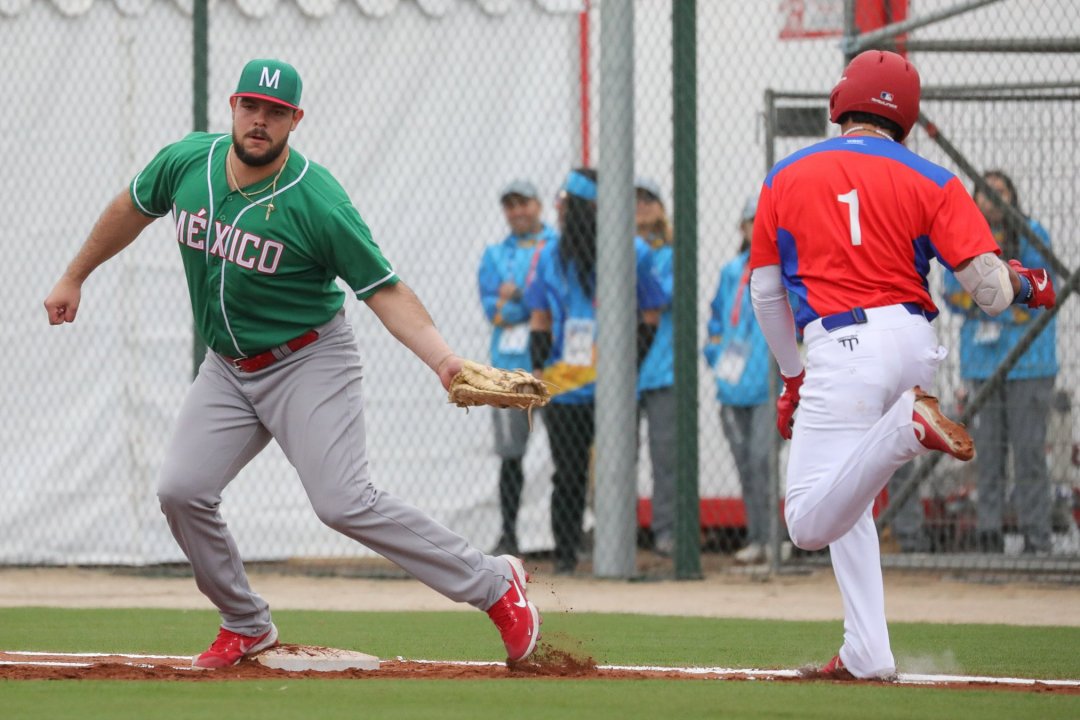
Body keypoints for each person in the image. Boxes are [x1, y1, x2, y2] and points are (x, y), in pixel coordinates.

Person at [43, 58, 540, 668]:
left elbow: (383, 288)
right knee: (182, 490)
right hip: (227, 367)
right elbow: (131, 206)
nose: (260, 121)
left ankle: (495, 585)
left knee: (342, 501)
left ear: (295, 120)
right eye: (251, 106)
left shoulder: (318, 201)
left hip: (308, 360)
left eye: (275, 113)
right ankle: (246, 624)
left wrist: (441, 360)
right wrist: (74, 275)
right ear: (232, 106)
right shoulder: (187, 163)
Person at [748, 50, 1055, 680]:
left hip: (842, 345)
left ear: (842, 102)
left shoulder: (785, 175)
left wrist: (792, 374)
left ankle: (904, 431)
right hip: (914, 340)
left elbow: (765, 293)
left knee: (806, 521)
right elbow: (991, 293)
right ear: (904, 117)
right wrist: (1032, 284)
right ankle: (868, 649)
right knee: (849, 497)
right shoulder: (932, 178)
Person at [526, 168, 666, 575]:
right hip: (565, 387)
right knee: (567, 475)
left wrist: (627, 368)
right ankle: (566, 556)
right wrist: (536, 375)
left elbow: (651, 313)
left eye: (569, 205)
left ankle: (617, 555)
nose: (562, 213)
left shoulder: (633, 252)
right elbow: (539, 318)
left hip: (613, 388)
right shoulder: (551, 255)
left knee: (618, 469)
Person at [943, 170, 1059, 554]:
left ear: (1012, 196)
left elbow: (1041, 288)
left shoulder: (1032, 234)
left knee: (1029, 455)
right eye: (984, 193)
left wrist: (995, 304)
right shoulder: (964, 236)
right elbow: (952, 293)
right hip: (983, 364)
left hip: (1029, 362)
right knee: (988, 454)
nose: (992, 200)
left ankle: (1037, 538)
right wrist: (1003, 298)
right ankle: (989, 533)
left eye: (1000, 192)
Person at [477, 179, 558, 556]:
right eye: (510, 206)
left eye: (523, 203)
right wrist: (526, 305)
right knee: (511, 456)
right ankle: (509, 533)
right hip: (509, 372)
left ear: (538, 204)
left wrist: (521, 298)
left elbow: (556, 301)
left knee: (567, 454)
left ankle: (568, 537)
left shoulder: (558, 247)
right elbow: (494, 311)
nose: (517, 212)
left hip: (554, 366)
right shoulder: (494, 255)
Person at [703, 195, 775, 565]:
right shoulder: (732, 270)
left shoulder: (780, 270)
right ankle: (756, 537)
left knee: (764, 460)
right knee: (745, 463)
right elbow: (715, 319)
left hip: (765, 382)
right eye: (750, 222)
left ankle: (774, 538)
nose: (754, 228)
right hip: (732, 384)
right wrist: (715, 354)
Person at [633, 177, 677, 558]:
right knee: (618, 456)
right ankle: (620, 532)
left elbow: (660, 298)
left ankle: (665, 531)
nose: (642, 205)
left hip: (662, 368)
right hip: (621, 372)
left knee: (665, 457)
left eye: (649, 199)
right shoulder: (612, 250)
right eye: (634, 201)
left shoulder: (671, 253)